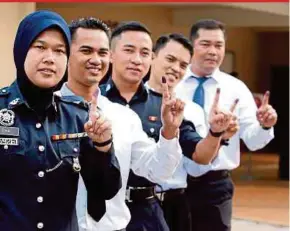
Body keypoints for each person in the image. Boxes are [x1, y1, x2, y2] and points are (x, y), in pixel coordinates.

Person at [101, 22, 237, 231]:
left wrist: (215, 132)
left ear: (150, 58)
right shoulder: (95, 99)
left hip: (147, 211)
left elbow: (200, 155)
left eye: (144, 53)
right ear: (111, 54)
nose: (136, 60)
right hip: (101, 211)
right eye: (129, 50)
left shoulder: (166, 108)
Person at [0, 10, 122, 231]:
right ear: (21, 50)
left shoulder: (77, 116)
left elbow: (104, 190)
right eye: (40, 47)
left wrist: (103, 146)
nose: (49, 58)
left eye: (59, 51)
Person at [64, 17, 185, 231]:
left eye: (102, 53)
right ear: (66, 54)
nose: (95, 59)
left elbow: (157, 171)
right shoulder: (46, 110)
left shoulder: (122, 116)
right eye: (86, 51)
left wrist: (169, 130)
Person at [175, 19, 278, 231]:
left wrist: (264, 126)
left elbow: (253, 141)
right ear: (191, 46)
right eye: (205, 44)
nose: (213, 51)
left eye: (219, 45)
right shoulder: (173, 83)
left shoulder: (236, 88)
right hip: (174, 181)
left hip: (215, 185)